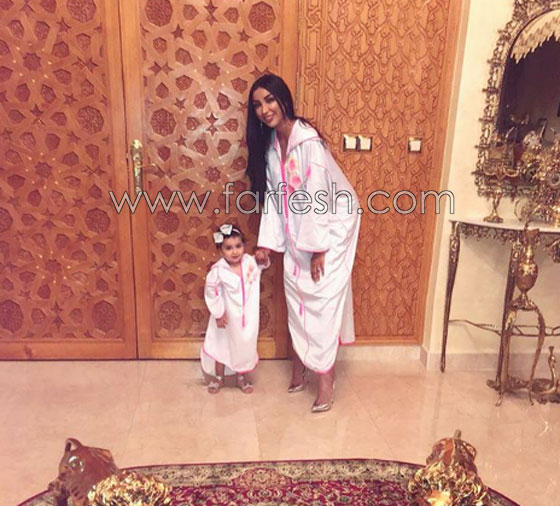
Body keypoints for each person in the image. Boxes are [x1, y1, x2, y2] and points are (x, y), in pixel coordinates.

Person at [246, 74, 361, 413]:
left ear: (284, 99)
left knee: (320, 302)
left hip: (330, 229)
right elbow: (275, 197)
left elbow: (318, 196)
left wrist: (319, 248)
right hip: (298, 230)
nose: (265, 109)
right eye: (257, 105)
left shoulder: (308, 141)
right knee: (296, 295)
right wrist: (268, 244)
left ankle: (325, 378)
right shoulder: (271, 146)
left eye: (270, 100)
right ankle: (301, 365)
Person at [201, 224, 269, 394]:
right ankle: (219, 377)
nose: (234, 252)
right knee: (221, 346)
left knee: (243, 346)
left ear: (244, 246)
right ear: (220, 250)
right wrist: (218, 313)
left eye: (238, 246)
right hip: (226, 318)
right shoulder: (218, 271)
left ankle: (242, 377)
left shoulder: (250, 263)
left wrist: (262, 257)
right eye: (228, 248)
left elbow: (263, 264)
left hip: (247, 319)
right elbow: (211, 292)